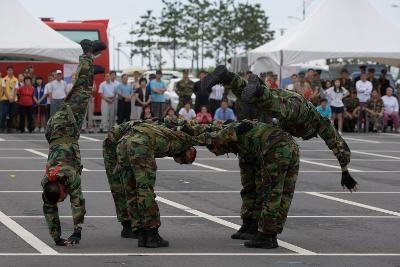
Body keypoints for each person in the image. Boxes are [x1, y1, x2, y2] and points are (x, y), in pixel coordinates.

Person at [200, 65, 359, 234]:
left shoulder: (287, 117)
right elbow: (338, 144)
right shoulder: (320, 121)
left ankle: (229, 78)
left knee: (257, 99)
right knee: (274, 105)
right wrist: (345, 171)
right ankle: (259, 90)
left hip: (284, 97)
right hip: (298, 110)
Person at [41, 39, 106, 246]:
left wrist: (77, 231)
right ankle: (90, 68)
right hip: (55, 132)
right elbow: (50, 211)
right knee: (80, 92)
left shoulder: (68, 177)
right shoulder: (47, 187)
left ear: (61, 189)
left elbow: (78, 202)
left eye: (61, 198)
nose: (61, 201)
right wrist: (57, 238)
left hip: (65, 126)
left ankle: (86, 51)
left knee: (83, 91)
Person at [197, 121, 300, 249]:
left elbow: (209, 137)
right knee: (282, 193)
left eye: (216, 150)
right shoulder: (240, 143)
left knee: (272, 192)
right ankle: (265, 232)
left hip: (276, 148)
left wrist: (184, 133)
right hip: (288, 146)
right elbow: (250, 185)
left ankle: (266, 236)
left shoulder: (227, 134)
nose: (217, 153)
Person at [105, 122, 198, 248]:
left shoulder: (167, 132)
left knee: (131, 190)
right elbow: (203, 136)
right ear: (186, 152)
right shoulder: (184, 141)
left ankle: (141, 233)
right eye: (184, 161)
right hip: (140, 144)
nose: (181, 163)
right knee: (145, 191)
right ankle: (152, 235)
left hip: (123, 142)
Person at [1, 66, 18, 133]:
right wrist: (9, 98)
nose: (10, 71)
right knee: (4, 113)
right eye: (9, 70)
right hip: (5, 99)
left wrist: (13, 98)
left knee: (12, 114)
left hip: (13, 100)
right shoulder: (4, 79)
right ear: (6, 71)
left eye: (11, 70)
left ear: (13, 71)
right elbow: (4, 90)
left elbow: (16, 89)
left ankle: (9, 127)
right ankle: (2, 127)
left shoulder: (15, 80)